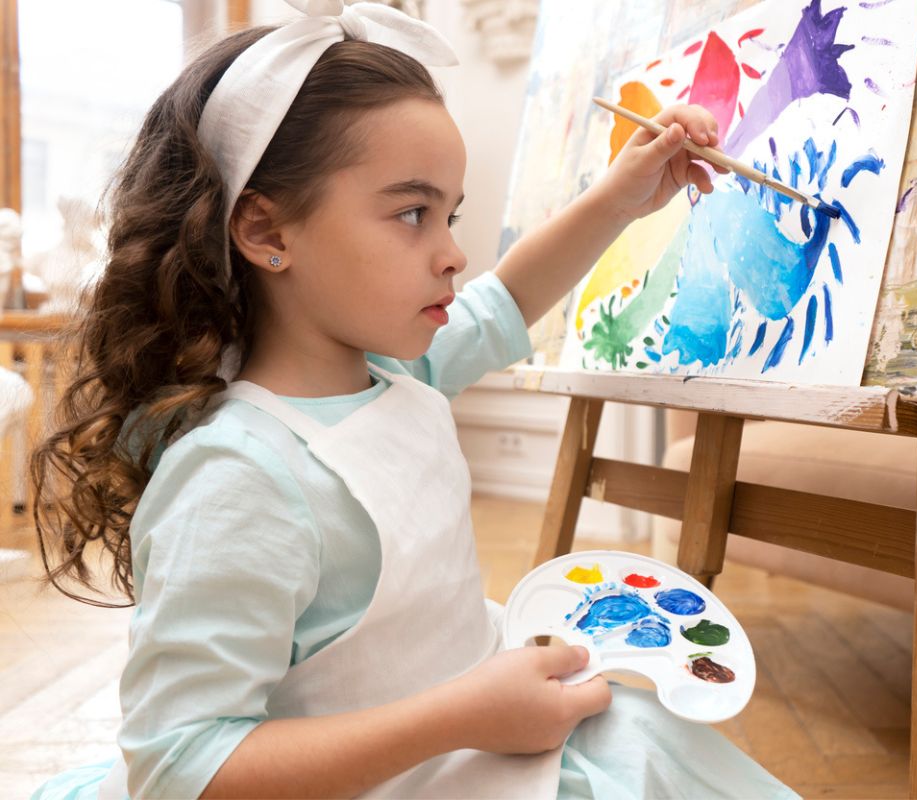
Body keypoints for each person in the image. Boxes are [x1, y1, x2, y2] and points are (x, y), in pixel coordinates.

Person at [29, 3, 796, 798]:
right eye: (411, 213)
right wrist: (459, 717)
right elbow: (179, 766)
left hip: (475, 736)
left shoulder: (396, 376)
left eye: (450, 215)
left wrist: (624, 195)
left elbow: (508, 297)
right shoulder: (235, 477)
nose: (453, 253)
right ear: (266, 232)